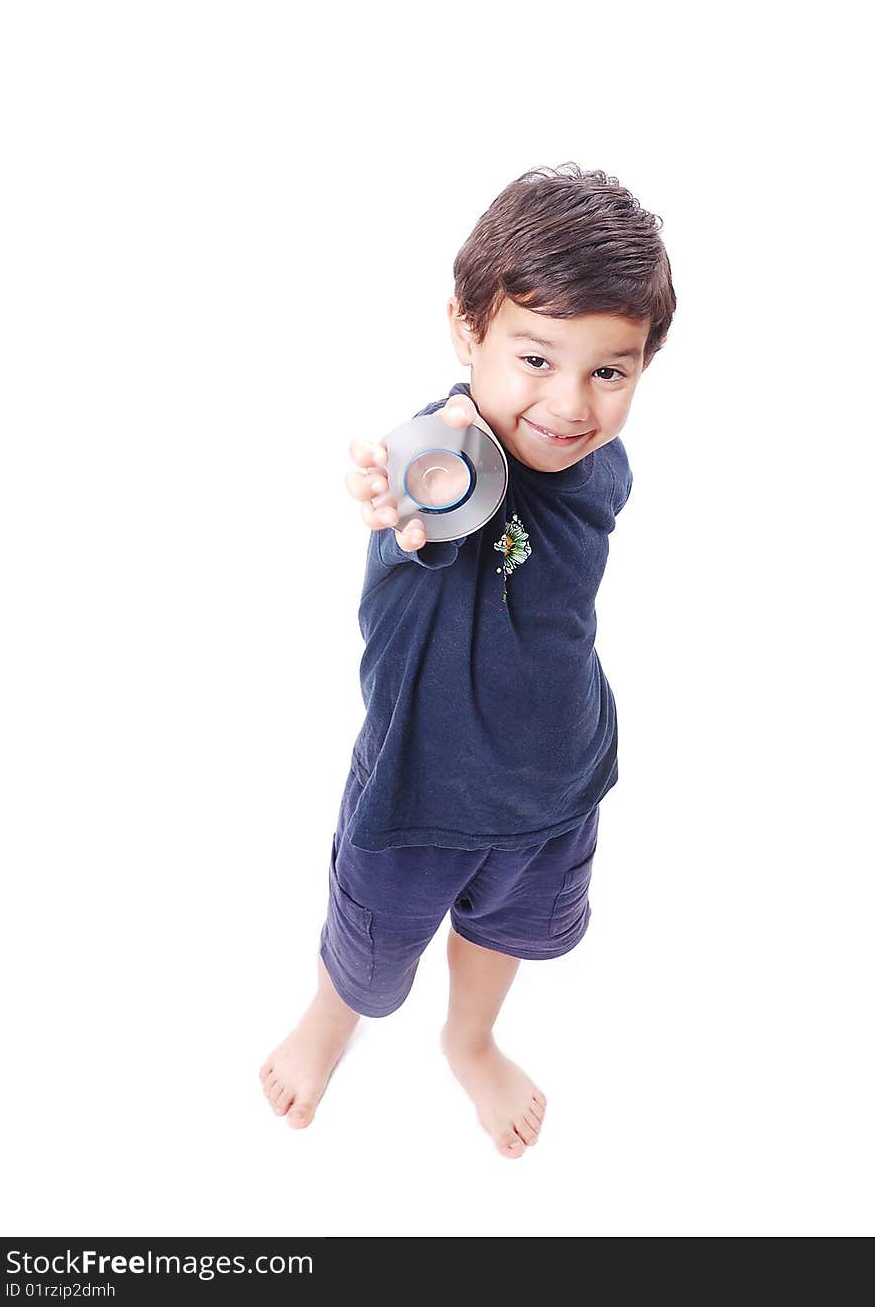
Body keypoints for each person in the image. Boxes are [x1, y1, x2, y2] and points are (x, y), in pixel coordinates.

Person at [259, 163, 676, 1157]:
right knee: (370, 947)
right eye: (534, 358)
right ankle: (331, 1020)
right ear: (467, 331)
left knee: (510, 931)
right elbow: (430, 496)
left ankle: (469, 1035)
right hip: (420, 797)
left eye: (607, 370)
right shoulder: (449, 461)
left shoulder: (597, 459)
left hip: (557, 778)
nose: (570, 402)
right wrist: (405, 492)